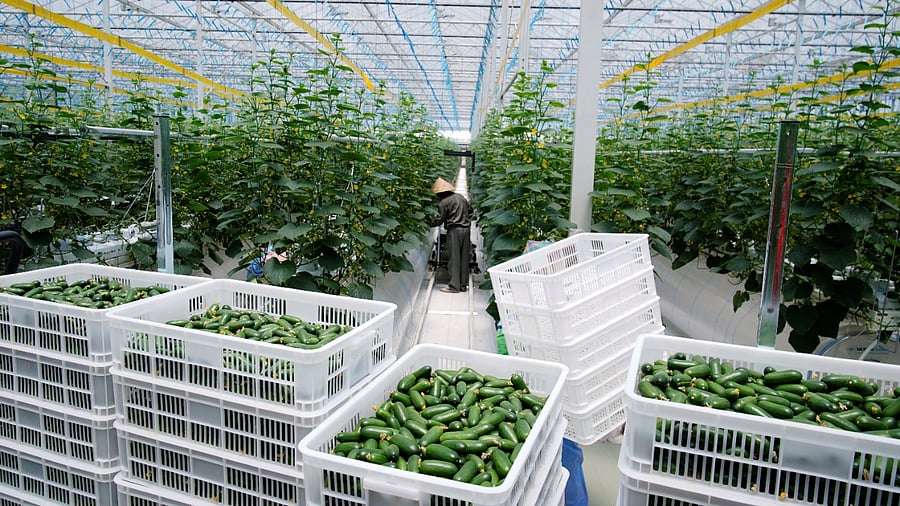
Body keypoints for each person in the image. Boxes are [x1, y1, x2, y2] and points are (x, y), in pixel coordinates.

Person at [431, 177, 473, 293]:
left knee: (454, 258)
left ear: (440, 193)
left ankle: (454, 286)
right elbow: (470, 210)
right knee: (464, 257)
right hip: (466, 229)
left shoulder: (444, 202)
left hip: (454, 230)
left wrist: (427, 223)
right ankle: (463, 285)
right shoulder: (460, 197)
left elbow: (440, 220)